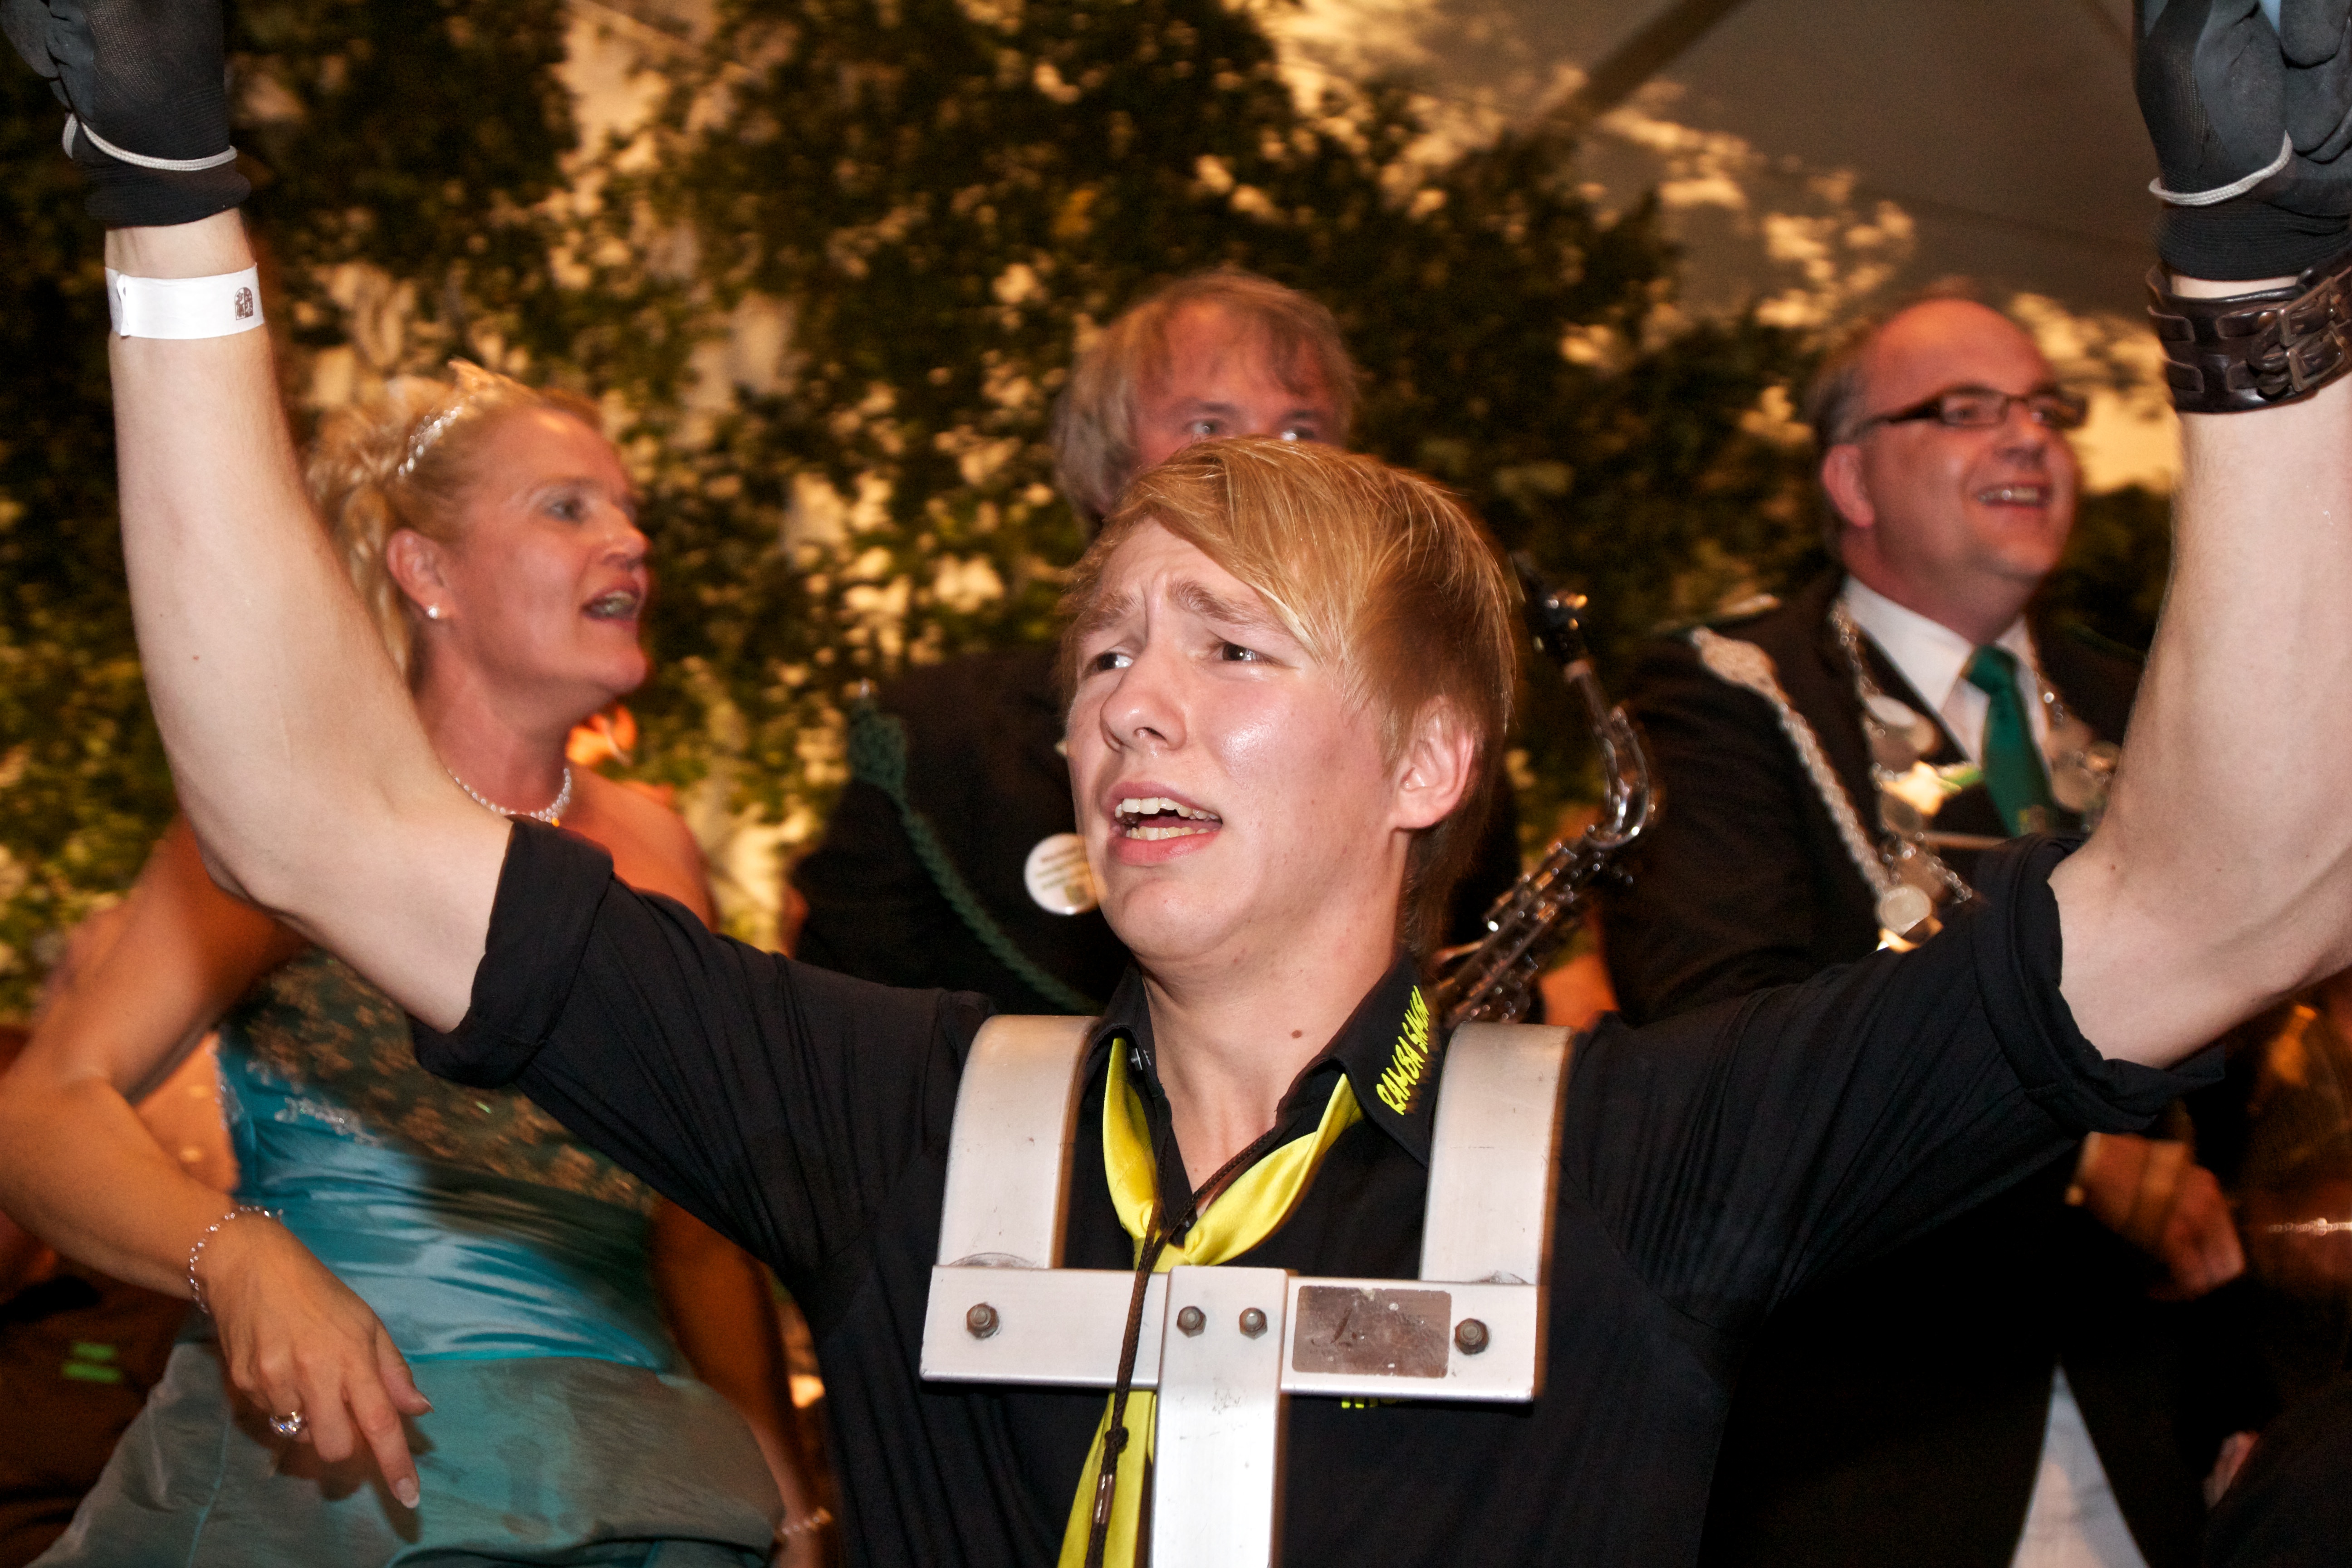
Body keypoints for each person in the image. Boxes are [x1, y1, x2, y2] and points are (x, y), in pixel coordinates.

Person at [16, 3, 2352, 1565]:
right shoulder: (890, 1116)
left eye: (1232, 647)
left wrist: (2260, 289)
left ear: (1433, 758)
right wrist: (167, 193)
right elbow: (310, 808)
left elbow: (2235, 893)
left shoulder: (1649, 1152)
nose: (1129, 701)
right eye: (1106, 650)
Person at [0, 363, 818, 1564]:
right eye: (568, 507)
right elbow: (41, 1111)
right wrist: (237, 1257)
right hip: (348, 1470)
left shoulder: (656, 850)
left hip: (646, 1482)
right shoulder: (291, 815)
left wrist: (784, 1498)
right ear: (427, 571)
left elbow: (697, 1231)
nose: (630, 541)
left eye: (628, 509)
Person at [1602, 294, 2266, 1567]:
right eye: (1966, 410)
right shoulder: (1730, 693)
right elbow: (1721, 1039)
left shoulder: (2146, 699)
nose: (2028, 438)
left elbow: (2233, 1070)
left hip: (2148, 1428)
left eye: (2045, 410)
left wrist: (2244, 1396)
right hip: (1867, 1442)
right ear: (1851, 479)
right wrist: (2073, 1161)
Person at [790, 269, 1524, 1013]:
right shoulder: (938, 744)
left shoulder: (1429, 742)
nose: (1262, 463)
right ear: (1108, 475)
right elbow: (834, 1046)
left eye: (1301, 432)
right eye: (1207, 427)